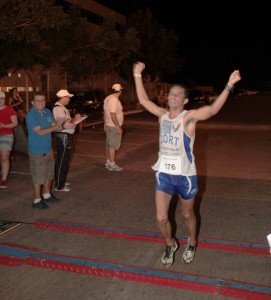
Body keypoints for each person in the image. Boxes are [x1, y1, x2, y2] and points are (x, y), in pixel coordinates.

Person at [133, 61, 241, 267]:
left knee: (187, 214)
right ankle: (170, 243)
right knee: (161, 217)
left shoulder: (189, 118)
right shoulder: (162, 115)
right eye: (170, 93)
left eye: (177, 94)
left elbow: (212, 110)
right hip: (163, 174)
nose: (172, 96)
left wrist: (228, 85)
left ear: (185, 100)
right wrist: (137, 75)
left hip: (185, 177)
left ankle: (192, 242)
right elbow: (144, 100)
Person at [26, 92, 64, 209]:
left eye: (43, 100)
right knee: (38, 177)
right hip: (37, 151)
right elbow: (40, 132)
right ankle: (37, 200)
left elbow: (55, 126)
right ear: (33, 102)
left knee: (49, 174)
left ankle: (47, 195)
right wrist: (57, 125)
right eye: (38, 101)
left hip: (48, 149)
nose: (41, 103)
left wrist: (69, 123)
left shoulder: (47, 112)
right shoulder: (31, 115)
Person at [53, 89, 81, 192]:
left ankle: (61, 181)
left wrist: (75, 120)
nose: (69, 99)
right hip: (63, 135)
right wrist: (76, 119)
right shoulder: (58, 109)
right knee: (62, 160)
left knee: (64, 159)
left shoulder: (62, 108)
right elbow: (65, 124)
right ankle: (59, 185)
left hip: (65, 135)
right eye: (68, 97)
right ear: (63, 97)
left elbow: (67, 123)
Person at [103, 83, 124, 171]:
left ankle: (108, 163)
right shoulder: (114, 100)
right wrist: (118, 126)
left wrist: (104, 123)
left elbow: (104, 112)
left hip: (108, 125)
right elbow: (112, 113)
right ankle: (112, 164)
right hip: (113, 126)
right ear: (120, 91)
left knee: (108, 145)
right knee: (113, 145)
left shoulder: (108, 98)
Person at [0, 91, 18, 188]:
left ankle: (4, 179)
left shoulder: (9, 109)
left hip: (6, 135)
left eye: (2, 99)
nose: (0, 101)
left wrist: (4, 126)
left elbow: (15, 123)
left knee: (4, 157)